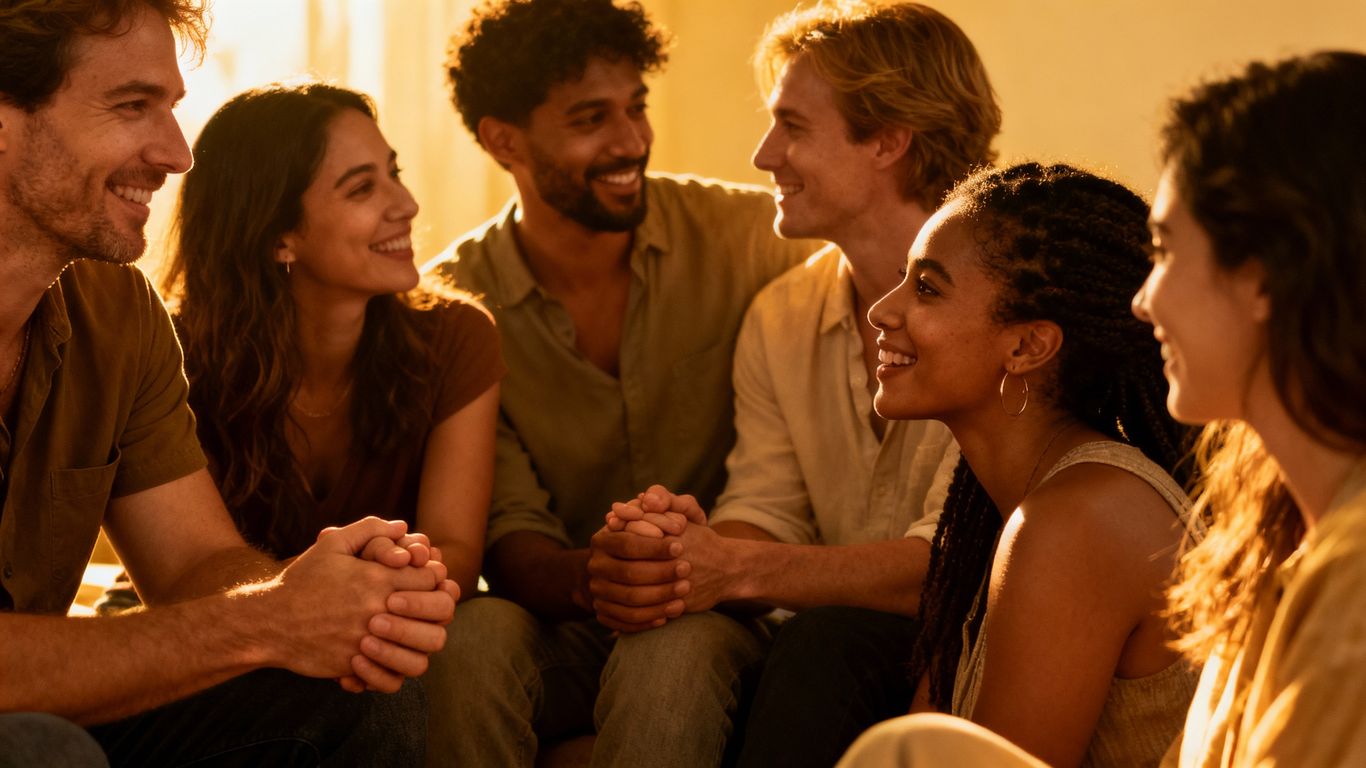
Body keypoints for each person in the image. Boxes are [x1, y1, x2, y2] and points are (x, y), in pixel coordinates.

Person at [839, 51, 1366, 768]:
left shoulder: (1348, 577)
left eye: (1169, 253)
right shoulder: (1271, 529)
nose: (1145, 301)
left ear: (1263, 281)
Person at [0, 2, 454, 764]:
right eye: (132, 106)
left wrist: (316, 598)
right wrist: (265, 623)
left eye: (171, 109)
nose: (178, 154)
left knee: (362, 689)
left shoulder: (119, 314)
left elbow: (194, 567)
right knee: (41, 748)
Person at [594, 3, 997, 765]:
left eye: (793, 126)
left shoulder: (1008, 314)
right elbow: (767, 505)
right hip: (821, 635)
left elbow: (959, 562)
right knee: (671, 637)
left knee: (825, 645)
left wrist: (738, 566)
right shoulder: (783, 314)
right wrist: (685, 552)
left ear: (887, 140)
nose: (762, 155)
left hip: (964, 637)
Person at [423, 0, 819, 764]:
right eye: (590, 119)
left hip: (722, 608)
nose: (631, 140)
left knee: (669, 652)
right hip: (556, 617)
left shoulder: (745, 237)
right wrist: (595, 581)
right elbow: (508, 538)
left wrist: (683, 574)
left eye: (636, 108)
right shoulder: (453, 306)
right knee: (467, 638)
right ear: (503, 140)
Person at [854, 162, 1196, 768]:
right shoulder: (1009, 506)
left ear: (1026, 346)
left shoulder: (1081, 520)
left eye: (927, 288)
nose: (883, 310)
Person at [158, 82, 502, 597]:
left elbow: (455, 554)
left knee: (486, 630)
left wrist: (348, 583)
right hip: (223, 635)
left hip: (390, 612)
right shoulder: (170, 358)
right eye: (362, 188)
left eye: (395, 173)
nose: (406, 204)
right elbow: (187, 589)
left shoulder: (456, 337)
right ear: (278, 237)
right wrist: (322, 588)